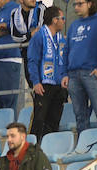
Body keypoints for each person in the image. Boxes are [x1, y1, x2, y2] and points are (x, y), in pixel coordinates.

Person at [63, 0, 97, 132]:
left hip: (92, 73)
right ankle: (83, 145)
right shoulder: (74, 25)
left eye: (80, 4)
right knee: (79, 115)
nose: (76, 7)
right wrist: (65, 74)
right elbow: (66, 50)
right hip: (73, 74)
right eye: (75, 5)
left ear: (90, 3)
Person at [26, 6, 67, 141]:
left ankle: (50, 150)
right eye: (62, 18)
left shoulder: (61, 38)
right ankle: (33, 151)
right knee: (39, 120)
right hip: (43, 85)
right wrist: (35, 82)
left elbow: (65, 59)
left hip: (59, 86)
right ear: (54, 20)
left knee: (54, 121)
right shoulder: (39, 36)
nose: (64, 21)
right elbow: (32, 60)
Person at [10, 0, 47, 88]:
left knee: (46, 91)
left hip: (43, 57)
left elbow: (40, 33)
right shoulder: (14, 13)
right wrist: (30, 35)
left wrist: (25, 38)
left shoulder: (41, 9)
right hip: (27, 57)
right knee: (34, 89)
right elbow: (15, 37)